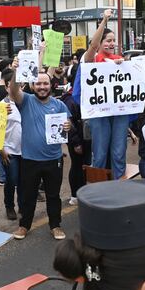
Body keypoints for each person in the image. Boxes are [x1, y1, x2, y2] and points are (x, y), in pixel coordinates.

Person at [9, 66, 71, 241]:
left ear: (50, 85)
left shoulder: (59, 105)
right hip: (30, 159)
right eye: (38, 83)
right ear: (32, 85)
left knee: (53, 195)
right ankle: (24, 226)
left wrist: (68, 126)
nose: (42, 87)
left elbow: (68, 125)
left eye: (45, 83)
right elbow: (13, 91)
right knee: (27, 195)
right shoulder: (26, 101)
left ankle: (55, 225)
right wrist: (15, 72)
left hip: (54, 159)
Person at [76, 9, 131, 179]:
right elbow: (92, 45)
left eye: (114, 40)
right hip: (99, 113)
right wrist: (105, 19)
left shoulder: (120, 59)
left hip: (119, 112)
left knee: (119, 153)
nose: (111, 43)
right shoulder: (91, 58)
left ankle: (119, 189)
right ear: (100, 42)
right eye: (108, 40)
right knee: (99, 155)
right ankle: (96, 191)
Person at [60, 72, 91, 205]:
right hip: (77, 139)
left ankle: (83, 192)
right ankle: (74, 195)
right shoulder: (70, 99)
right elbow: (69, 122)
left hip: (86, 136)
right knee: (77, 165)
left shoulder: (87, 94)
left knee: (84, 165)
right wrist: (76, 142)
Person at [0, 77, 23, 220]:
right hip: (10, 150)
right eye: (11, 85)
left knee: (23, 180)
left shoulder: (24, 103)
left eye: (18, 85)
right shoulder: (2, 105)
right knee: (11, 180)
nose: (15, 88)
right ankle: (9, 206)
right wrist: (1, 149)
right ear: (7, 87)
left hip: (26, 151)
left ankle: (22, 205)